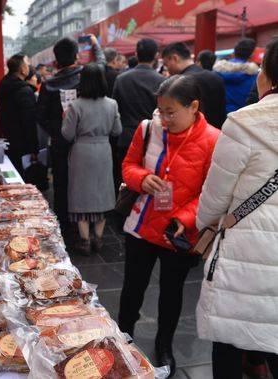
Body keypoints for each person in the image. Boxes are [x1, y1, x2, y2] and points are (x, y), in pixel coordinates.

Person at [118, 75, 220, 377]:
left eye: (171, 111)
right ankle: (122, 337)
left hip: (177, 232)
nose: (164, 118)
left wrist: (186, 217)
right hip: (142, 224)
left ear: (194, 107)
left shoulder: (213, 140)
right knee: (132, 288)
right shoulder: (148, 129)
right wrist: (140, 178)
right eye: (160, 110)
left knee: (171, 293)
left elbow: (212, 191)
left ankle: (164, 345)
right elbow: (128, 165)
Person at [196, 38, 278, 379]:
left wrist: (204, 225)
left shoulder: (244, 122)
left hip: (245, 245)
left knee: (228, 334)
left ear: (268, 76)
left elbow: (217, 194)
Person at [37, 36, 105, 240]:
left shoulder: (48, 85)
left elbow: (40, 116)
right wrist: (95, 45)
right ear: (77, 56)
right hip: (86, 140)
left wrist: (56, 131)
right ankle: (88, 226)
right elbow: (101, 63)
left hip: (60, 143)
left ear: (56, 61)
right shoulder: (87, 76)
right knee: (87, 183)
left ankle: (64, 227)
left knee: (61, 183)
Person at [61, 63, 122, 255]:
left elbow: (67, 135)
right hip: (103, 151)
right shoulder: (112, 104)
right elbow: (117, 130)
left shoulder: (75, 105)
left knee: (81, 195)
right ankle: (99, 239)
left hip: (82, 152)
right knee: (102, 193)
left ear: (82, 81)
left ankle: (85, 240)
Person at [112, 38, 165, 192]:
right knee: (151, 182)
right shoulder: (162, 81)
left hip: (127, 137)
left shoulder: (121, 79)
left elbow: (117, 109)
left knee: (126, 180)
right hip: (154, 139)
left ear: (136, 54)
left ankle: (123, 211)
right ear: (156, 55)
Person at [162, 42, 226, 128]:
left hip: (191, 135)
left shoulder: (179, 83)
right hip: (216, 133)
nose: (167, 69)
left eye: (166, 64)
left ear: (174, 58)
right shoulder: (216, 77)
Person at [0, 54, 38, 175]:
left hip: (8, 140)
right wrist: (34, 149)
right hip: (23, 144)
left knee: (14, 174)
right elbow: (29, 122)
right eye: (27, 64)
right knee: (26, 177)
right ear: (22, 69)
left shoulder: (3, 87)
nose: (29, 67)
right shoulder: (24, 91)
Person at [214, 38, 259, 113]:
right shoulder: (254, 74)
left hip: (220, 113)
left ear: (234, 52)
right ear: (251, 54)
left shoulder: (218, 71)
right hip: (243, 114)